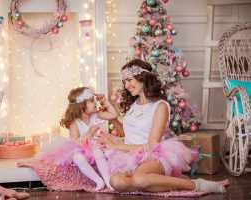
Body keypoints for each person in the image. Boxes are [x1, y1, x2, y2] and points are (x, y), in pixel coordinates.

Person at [96, 59, 226, 194]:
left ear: (142, 78)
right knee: (116, 181)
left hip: (154, 155)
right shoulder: (133, 106)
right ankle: (151, 183)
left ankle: (195, 185)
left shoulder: (160, 106)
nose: (126, 85)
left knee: (139, 179)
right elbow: (127, 134)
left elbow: (151, 145)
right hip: (130, 156)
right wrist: (114, 119)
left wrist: (116, 146)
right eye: (124, 81)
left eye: (129, 80)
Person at [40, 87, 117, 191]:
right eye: (91, 101)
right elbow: (74, 143)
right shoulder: (75, 123)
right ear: (81, 105)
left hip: (96, 145)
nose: (95, 102)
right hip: (81, 147)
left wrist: (104, 100)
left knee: (98, 153)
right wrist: (88, 133)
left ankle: (108, 181)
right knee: (77, 157)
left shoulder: (96, 115)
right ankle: (98, 181)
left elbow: (114, 115)